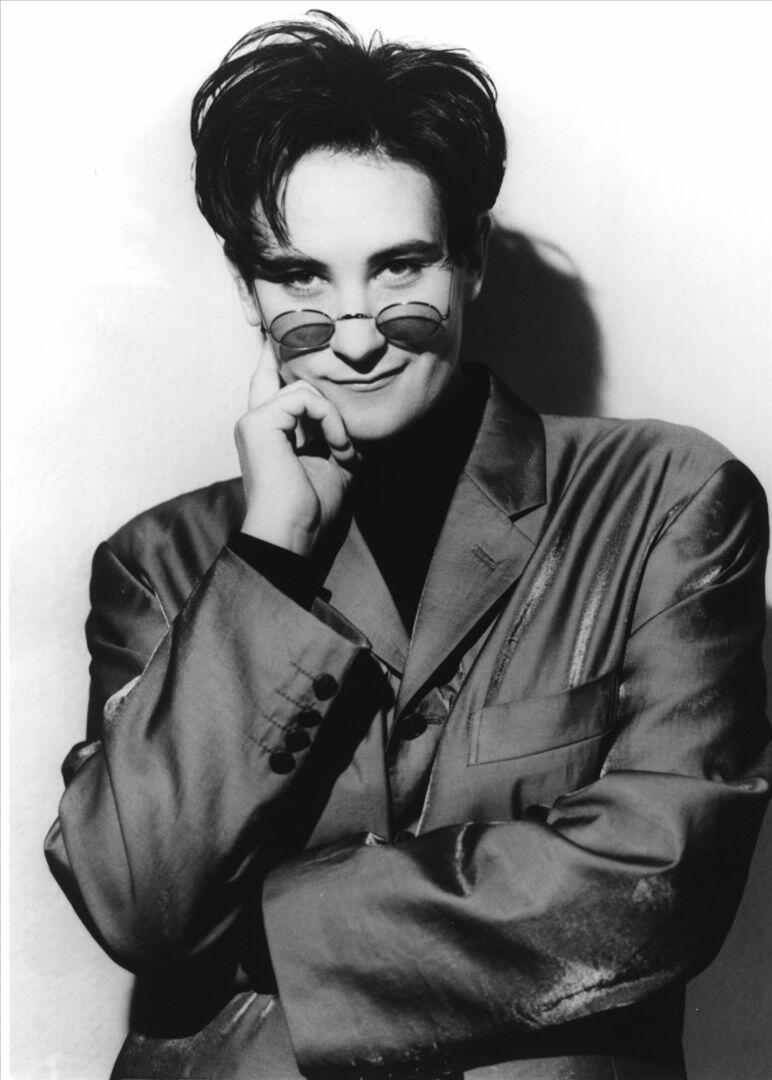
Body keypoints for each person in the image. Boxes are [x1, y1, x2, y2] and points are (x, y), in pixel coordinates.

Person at [45, 12, 770, 1080]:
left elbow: (661, 873)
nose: (354, 332)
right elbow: (141, 903)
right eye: (299, 276)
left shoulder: (666, 499)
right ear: (246, 289)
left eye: (398, 268)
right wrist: (270, 557)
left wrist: (270, 934)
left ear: (470, 259)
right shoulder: (158, 564)